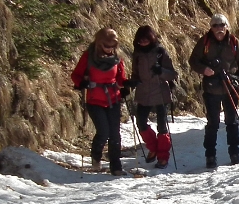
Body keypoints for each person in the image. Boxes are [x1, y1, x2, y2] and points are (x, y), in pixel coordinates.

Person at [189, 13, 239, 168]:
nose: (219, 28)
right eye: (215, 25)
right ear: (211, 27)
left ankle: (234, 154)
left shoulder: (235, 43)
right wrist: (204, 69)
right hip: (211, 88)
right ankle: (210, 156)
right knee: (213, 123)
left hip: (231, 87)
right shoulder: (205, 42)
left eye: (222, 25)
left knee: (232, 122)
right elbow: (193, 61)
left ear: (227, 26)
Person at [71, 27, 128, 175]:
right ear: (99, 43)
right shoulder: (88, 57)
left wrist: (127, 85)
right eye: (106, 46)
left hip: (113, 99)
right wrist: (81, 83)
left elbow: (121, 79)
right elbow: (76, 75)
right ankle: (96, 157)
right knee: (103, 131)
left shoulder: (117, 58)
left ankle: (116, 167)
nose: (110, 49)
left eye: (113, 46)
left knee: (115, 134)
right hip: (94, 99)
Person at [128, 25, 179, 169]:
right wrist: (132, 82)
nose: (143, 42)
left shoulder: (160, 52)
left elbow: (172, 73)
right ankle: (154, 148)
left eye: (146, 40)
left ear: (151, 38)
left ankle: (163, 156)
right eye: (140, 40)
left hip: (160, 92)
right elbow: (135, 72)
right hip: (143, 92)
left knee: (162, 126)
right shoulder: (137, 54)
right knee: (141, 122)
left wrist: (161, 71)